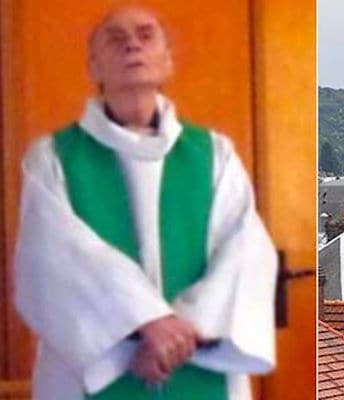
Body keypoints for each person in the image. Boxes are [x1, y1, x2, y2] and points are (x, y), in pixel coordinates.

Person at [13, 5, 277, 400]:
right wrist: (145, 324)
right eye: (115, 39)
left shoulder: (214, 155)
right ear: (94, 66)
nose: (132, 45)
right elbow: (51, 261)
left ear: (167, 60)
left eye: (145, 35)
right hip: (91, 371)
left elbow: (246, 252)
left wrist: (181, 332)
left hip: (201, 362)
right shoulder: (53, 158)